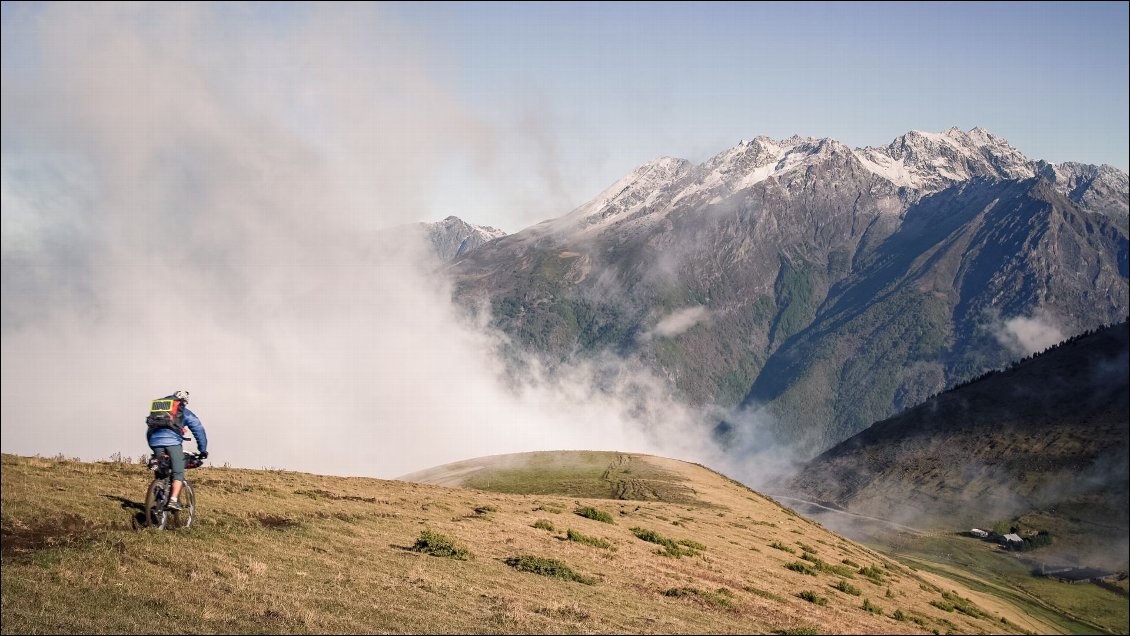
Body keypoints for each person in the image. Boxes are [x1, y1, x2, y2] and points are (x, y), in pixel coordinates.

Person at [147, 390, 208, 511]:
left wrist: (153, 443)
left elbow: (150, 429)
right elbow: (198, 429)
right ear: (184, 402)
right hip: (173, 443)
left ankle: (159, 496)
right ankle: (173, 500)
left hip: (154, 441)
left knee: (161, 468)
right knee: (178, 472)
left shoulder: (160, 408)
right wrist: (202, 449)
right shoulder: (183, 411)